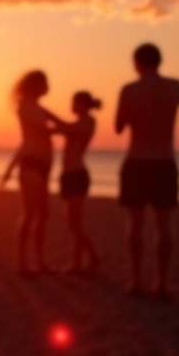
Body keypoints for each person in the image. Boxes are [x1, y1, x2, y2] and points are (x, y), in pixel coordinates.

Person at [115, 43, 179, 298]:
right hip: (165, 159)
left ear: (137, 63)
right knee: (163, 225)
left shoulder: (129, 90)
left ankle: (136, 281)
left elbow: (118, 126)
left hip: (137, 160)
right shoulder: (176, 86)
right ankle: (161, 282)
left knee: (135, 223)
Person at [1, 70, 66, 274]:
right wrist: (67, 130)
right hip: (31, 163)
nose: (48, 86)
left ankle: (39, 260)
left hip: (43, 164)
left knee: (43, 214)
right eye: (45, 82)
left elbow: (60, 122)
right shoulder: (26, 106)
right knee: (29, 213)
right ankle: (21, 261)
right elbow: (42, 130)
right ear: (35, 84)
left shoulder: (38, 107)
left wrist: (73, 126)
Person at [58, 91, 101, 275]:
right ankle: (77, 263)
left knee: (75, 224)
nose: (72, 105)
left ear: (84, 104)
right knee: (73, 223)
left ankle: (94, 257)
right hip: (67, 176)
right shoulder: (76, 124)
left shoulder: (88, 122)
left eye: (75, 102)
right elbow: (63, 127)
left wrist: (44, 114)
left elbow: (64, 128)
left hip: (77, 175)